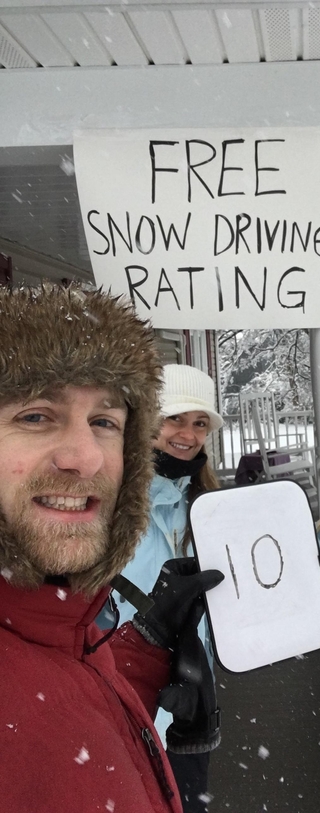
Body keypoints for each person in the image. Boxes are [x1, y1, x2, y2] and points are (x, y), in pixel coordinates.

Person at [0, 284, 223, 813]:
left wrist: (149, 649)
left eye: (104, 422)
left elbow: (66, 686)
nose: (85, 457)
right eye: (35, 415)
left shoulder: (57, 621)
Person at [119, 363, 224, 811]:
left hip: (191, 705)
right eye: (175, 418)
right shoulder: (110, 505)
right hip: (124, 699)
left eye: (200, 423)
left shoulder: (210, 505)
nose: (188, 433)